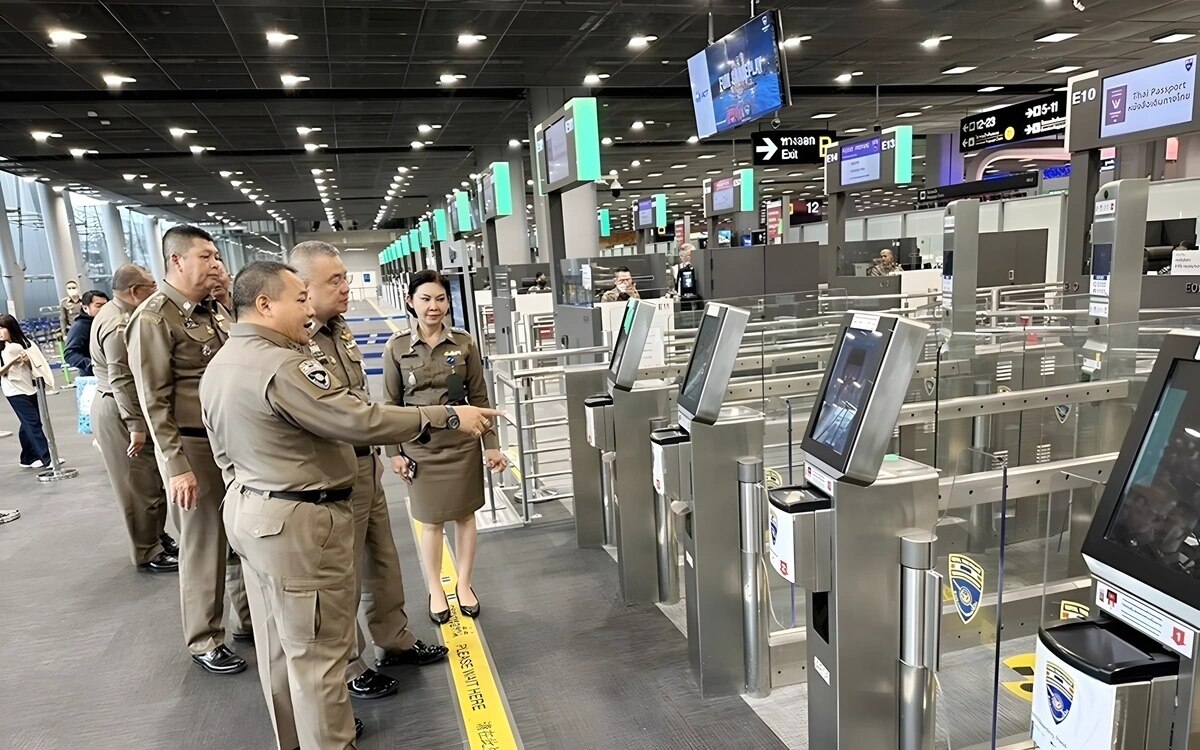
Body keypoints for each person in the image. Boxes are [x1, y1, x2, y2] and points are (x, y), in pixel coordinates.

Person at [201, 261, 501, 750]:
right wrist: (447, 415)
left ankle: (296, 739)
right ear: (264, 304)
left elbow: (223, 452)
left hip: (252, 512)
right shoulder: (282, 364)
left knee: (283, 650)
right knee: (320, 657)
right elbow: (358, 419)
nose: (309, 309)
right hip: (297, 522)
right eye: (300, 299)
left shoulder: (224, 361)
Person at [290, 241, 448, 704]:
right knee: (342, 576)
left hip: (363, 462)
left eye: (345, 276)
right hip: (330, 473)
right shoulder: (296, 340)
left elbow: (361, 398)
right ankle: (352, 664)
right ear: (303, 287)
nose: (346, 285)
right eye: (334, 280)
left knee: (382, 557)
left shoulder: (338, 330)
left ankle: (394, 637)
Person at [127, 225, 249, 675]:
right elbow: (153, 400)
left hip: (227, 441)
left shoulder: (210, 311)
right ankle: (204, 638)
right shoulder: (154, 318)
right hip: (191, 446)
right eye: (206, 256)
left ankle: (246, 618)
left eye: (217, 255)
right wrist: (176, 466)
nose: (215, 263)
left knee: (236, 534)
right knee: (203, 543)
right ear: (177, 261)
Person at [383, 270, 509, 623]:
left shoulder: (465, 343)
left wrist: (491, 445)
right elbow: (390, 405)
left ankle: (464, 584)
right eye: (425, 299)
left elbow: (480, 396)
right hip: (420, 447)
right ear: (411, 302)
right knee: (431, 522)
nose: (433, 306)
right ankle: (436, 590)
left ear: (448, 302)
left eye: (440, 298)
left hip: (461, 444)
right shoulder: (396, 347)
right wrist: (394, 453)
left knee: (466, 516)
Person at [90, 264, 177, 573]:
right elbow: (121, 378)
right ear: (135, 291)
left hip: (125, 407)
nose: (156, 290)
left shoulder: (122, 314)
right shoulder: (118, 324)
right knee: (139, 486)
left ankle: (156, 535)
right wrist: (135, 425)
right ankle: (147, 550)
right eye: (151, 286)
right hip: (120, 410)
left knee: (151, 481)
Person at [0, 314, 58, 469]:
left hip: (29, 387)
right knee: (33, 423)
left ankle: (27, 458)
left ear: (11, 328)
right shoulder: (3, 348)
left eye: (2, 328)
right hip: (13, 391)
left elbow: (36, 364)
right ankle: (48, 459)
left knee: (28, 423)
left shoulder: (25, 344)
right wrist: (12, 362)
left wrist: (27, 361)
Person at [63, 289, 109, 376]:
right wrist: (91, 365)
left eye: (106, 305)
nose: (104, 309)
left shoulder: (107, 322)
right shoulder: (80, 326)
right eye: (98, 306)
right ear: (85, 308)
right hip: (94, 377)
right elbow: (70, 354)